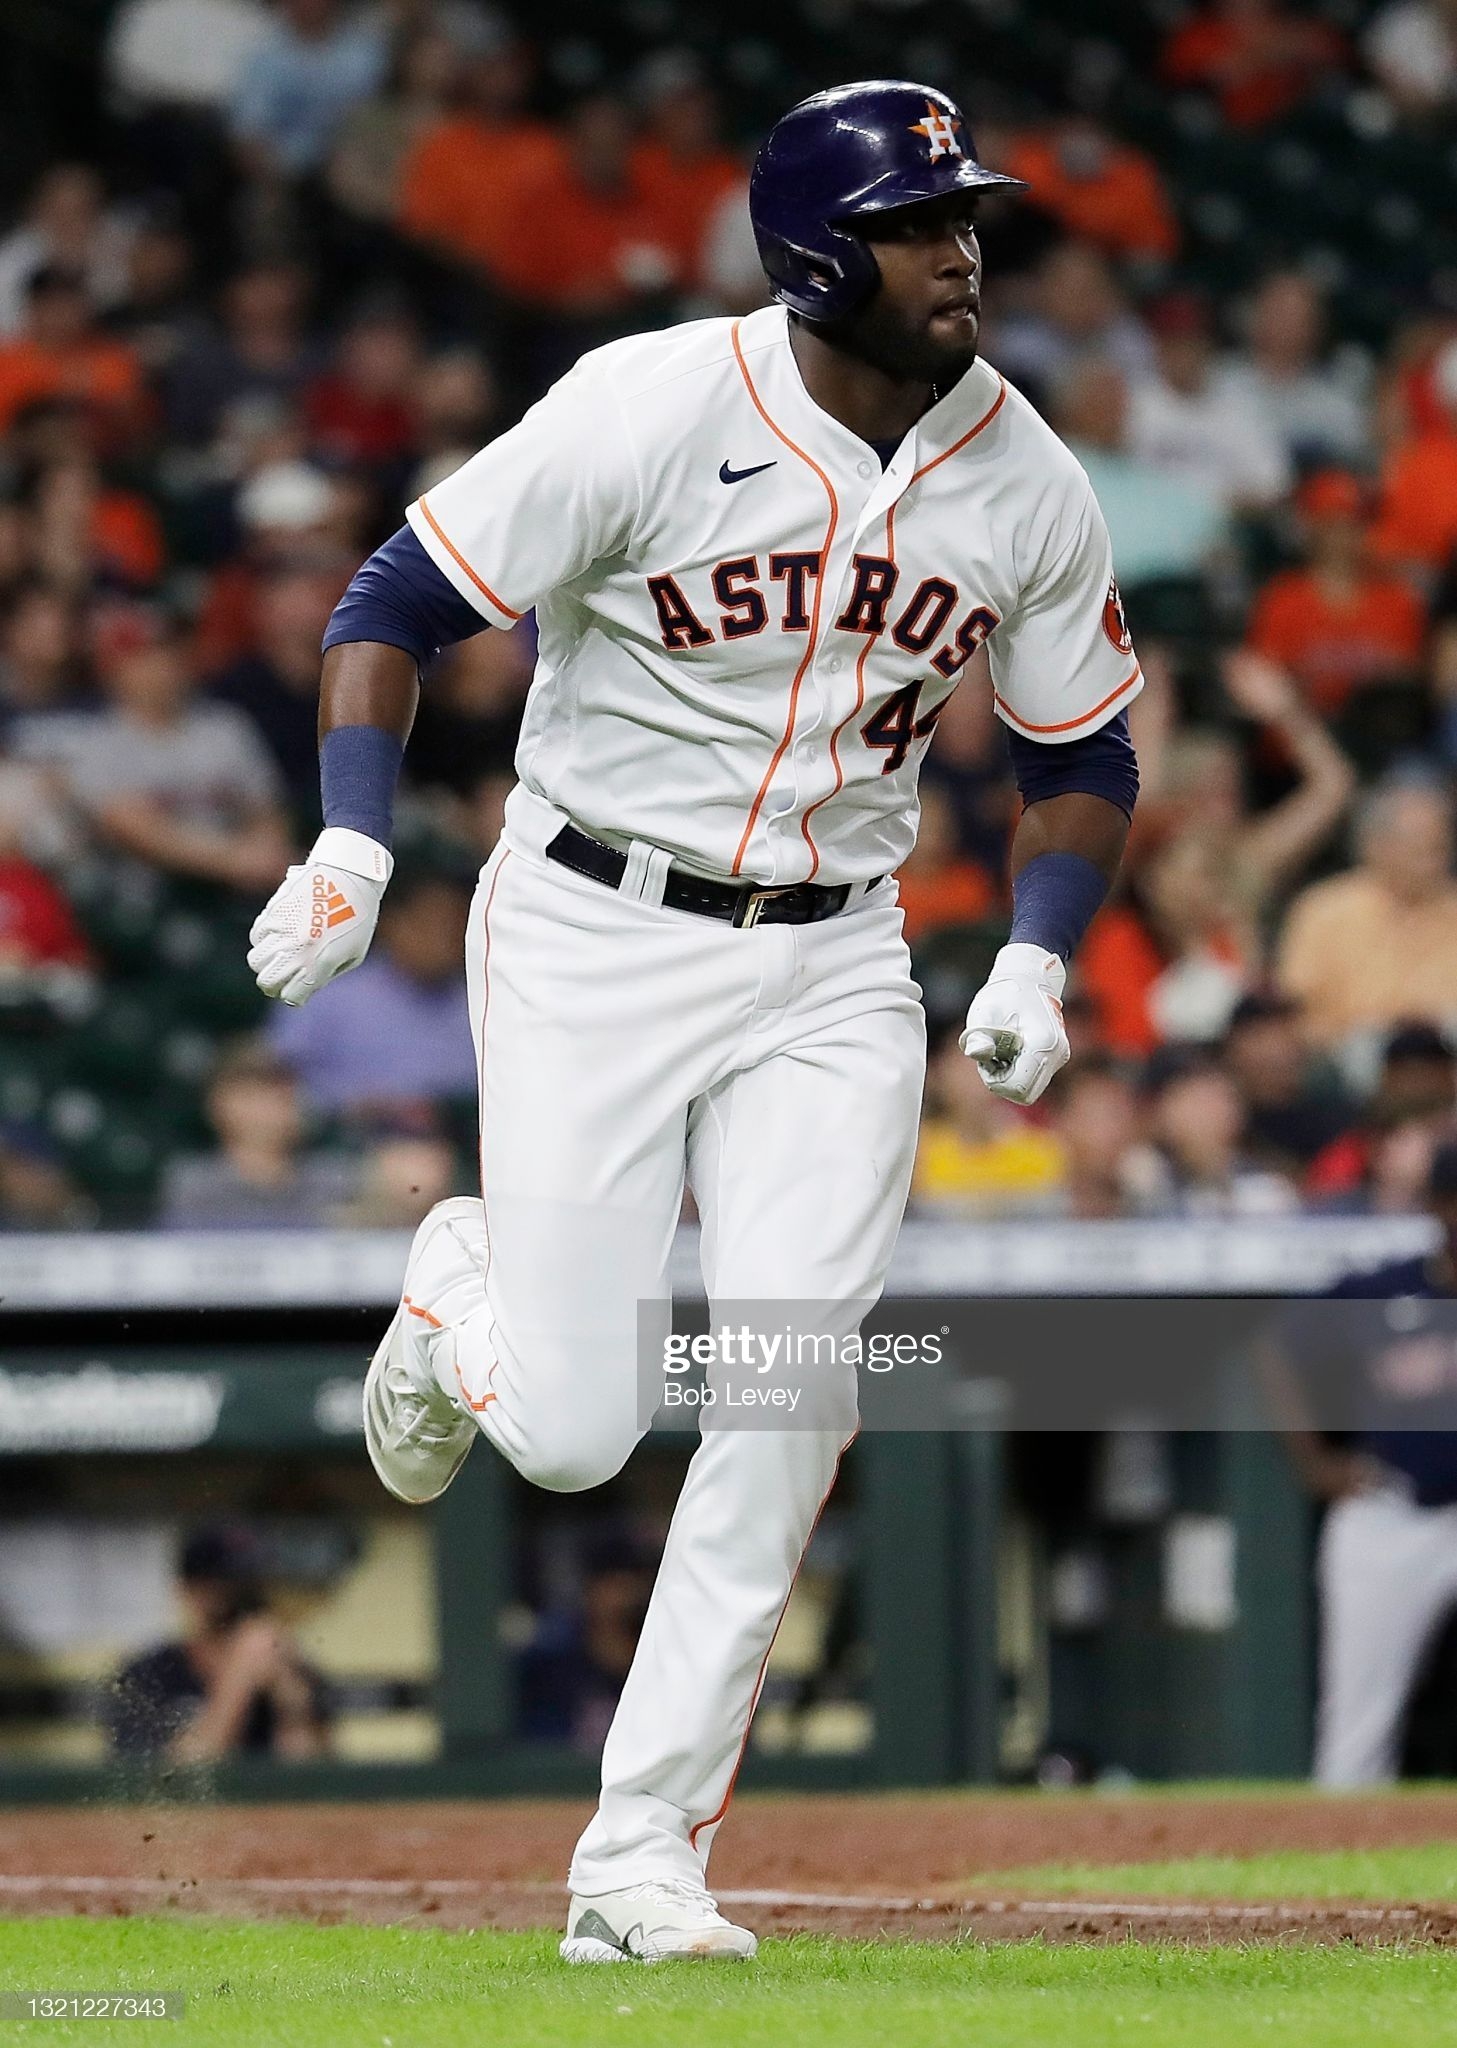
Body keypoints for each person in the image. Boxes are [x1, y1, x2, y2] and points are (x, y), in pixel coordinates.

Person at [246, 80, 1141, 1963]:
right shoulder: (651, 406)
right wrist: (345, 830)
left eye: (964, 213)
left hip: (836, 959)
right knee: (570, 1431)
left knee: (789, 1387)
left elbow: (1082, 745)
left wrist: (1043, 948)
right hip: (595, 921)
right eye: (917, 222)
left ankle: (637, 1856)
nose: (959, 249)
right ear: (821, 251)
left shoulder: (1022, 470)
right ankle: (459, 1292)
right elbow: (399, 592)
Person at [1269, 1140, 1457, 1784]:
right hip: (1393, 1514)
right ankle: (1340, 1863)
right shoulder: (1386, 1288)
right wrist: (1316, 1462)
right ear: (1438, 1206)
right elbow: (1279, 1349)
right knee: (1356, 1730)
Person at [107, 1524, 330, 1760]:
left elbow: (310, 1781)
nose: (240, 1598)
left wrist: (291, 1704)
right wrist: (240, 1676)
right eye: (222, 1586)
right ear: (186, 1589)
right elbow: (174, 1783)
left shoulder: (291, 1666)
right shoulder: (149, 1675)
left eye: (250, 1585)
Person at [1277, 777, 1457, 1051]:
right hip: (1346, 1059)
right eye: (1420, 851)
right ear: (1376, 846)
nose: (1434, 864)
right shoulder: (1323, 910)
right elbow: (1296, 1010)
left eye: (1440, 850)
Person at [157, 1039, 355, 1228]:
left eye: (284, 1092)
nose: (277, 1103)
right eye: (256, 1094)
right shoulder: (195, 1186)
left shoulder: (333, 1181)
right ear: (220, 1103)